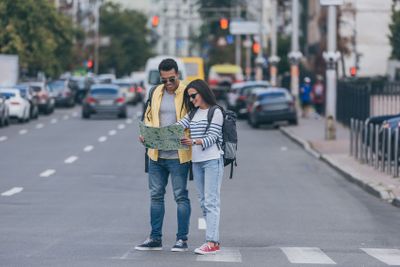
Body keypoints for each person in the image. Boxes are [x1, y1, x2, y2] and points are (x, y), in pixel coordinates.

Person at [135, 58, 191, 252]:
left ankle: (181, 239)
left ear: (178, 75)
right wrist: (145, 134)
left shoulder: (187, 92)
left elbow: (196, 119)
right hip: (156, 154)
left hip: (178, 155)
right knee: (156, 196)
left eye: (171, 79)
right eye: (164, 79)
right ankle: (155, 238)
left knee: (180, 196)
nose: (168, 83)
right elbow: (148, 118)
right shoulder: (155, 92)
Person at [178, 79, 224, 255]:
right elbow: (177, 127)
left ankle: (212, 241)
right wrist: (153, 134)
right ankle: (213, 241)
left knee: (211, 201)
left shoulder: (216, 111)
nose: (191, 100)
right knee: (204, 202)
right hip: (196, 161)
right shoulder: (193, 114)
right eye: (189, 97)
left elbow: (212, 137)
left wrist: (193, 141)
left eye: (193, 96)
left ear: (202, 92)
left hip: (213, 160)